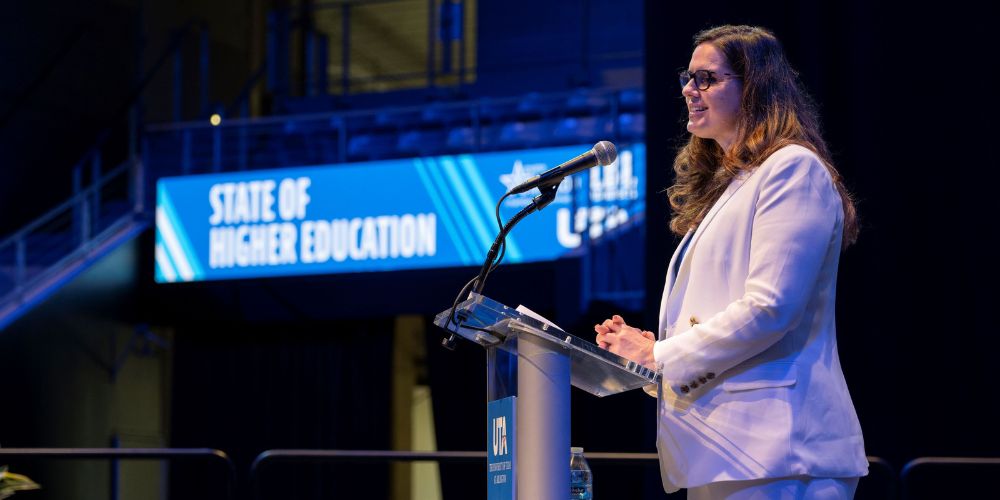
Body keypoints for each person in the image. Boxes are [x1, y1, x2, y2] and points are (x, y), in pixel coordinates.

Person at [594, 25, 868, 498]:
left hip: (779, 452)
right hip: (727, 453)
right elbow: (725, 313)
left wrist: (659, 355)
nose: (688, 89)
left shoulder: (791, 168)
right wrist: (653, 352)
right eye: (688, 77)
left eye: (706, 78)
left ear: (754, 88)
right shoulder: (736, 183)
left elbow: (770, 308)